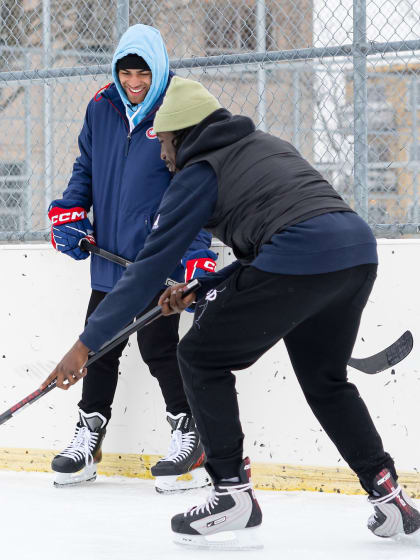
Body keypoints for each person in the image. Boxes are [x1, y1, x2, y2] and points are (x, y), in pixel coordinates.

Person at [41, 77, 420, 548]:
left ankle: (232, 492)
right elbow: (272, 237)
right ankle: (389, 497)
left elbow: (145, 270)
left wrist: (84, 346)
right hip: (355, 251)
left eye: (163, 143)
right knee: (325, 381)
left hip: (298, 257)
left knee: (200, 356)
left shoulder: (199, 171)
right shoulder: (265, 146)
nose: (161, 155)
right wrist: (203, 286)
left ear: (182, 135)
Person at [46, 29, 217, 492]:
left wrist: (196, 252)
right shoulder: (102, 105)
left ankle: (192, 438)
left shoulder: (179, 108)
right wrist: (72, 213)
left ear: (158, 69)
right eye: (126, 71)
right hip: (108, 256)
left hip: (158, 261)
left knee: (159, 349)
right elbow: (87, 165)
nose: (134, 81)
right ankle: (89, 440)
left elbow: (197, 186)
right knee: (98, 347)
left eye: (143, 72)